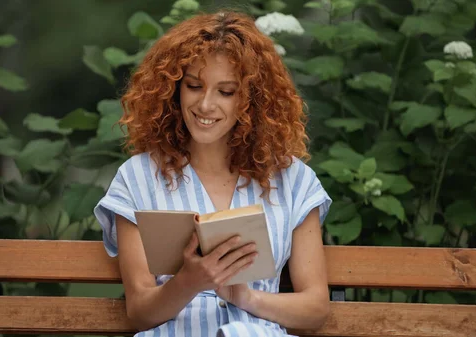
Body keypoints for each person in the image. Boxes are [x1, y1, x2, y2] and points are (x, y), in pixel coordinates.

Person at [94, 10, 332, 337]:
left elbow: (316, 309)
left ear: (251, 99)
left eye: (226, 92)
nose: (206, 105)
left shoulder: (293, 181)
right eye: (194, 86)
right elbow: (139, 311)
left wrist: (244, 297)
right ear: (174, 88)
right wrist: (189, 282)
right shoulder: (137, 178)